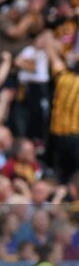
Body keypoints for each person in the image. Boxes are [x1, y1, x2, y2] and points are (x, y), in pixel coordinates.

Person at [40, 31, 79, 181]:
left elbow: (53, 58)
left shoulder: (63, 78)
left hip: (57, 136)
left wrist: (49, 38)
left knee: (60, 176)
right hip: (75, 137)